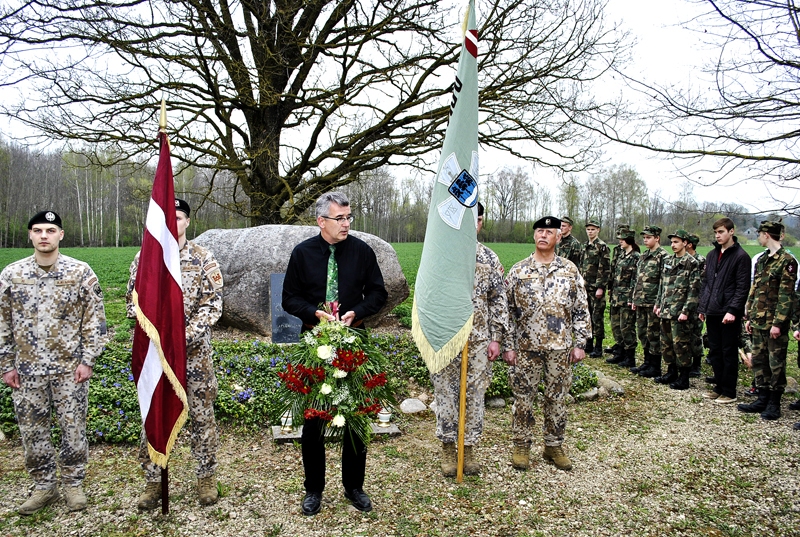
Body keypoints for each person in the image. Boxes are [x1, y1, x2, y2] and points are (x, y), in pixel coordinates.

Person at [282, 191, 388, 516]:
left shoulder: (362, 252)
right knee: (314, 420)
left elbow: (379, 293)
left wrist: (357, 311)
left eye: (348, 217)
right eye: (339, 218)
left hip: (352, 346)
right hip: (315, 347)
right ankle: (313, 489)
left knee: (355, 418)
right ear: (321, 221)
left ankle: (354, 486)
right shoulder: (302, 254)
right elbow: (289, 298)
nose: (346, 224)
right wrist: (314, 314)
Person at [0, 210, 108, 515]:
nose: (44, 236)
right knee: (32, 432)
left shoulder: (80, 273)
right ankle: (44, 486)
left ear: (61, 234)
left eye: (50, 230)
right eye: (38, 230)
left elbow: (95, 322)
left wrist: (87, 360)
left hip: (68, 370)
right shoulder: (11, 275)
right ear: (30, 235)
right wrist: (5, 364)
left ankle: (73, 484)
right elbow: (2, 322)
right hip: (26, 371)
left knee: (73, 429)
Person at [127, 198, 224, 509]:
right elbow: (133, 304)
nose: (174, 222)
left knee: (202, 417)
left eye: (179, 217)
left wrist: (181, 338)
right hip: (157, 357)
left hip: (193, 356)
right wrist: (160, 340)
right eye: (168, 217)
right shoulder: (145, 259)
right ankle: (153, 480)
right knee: (155, 413)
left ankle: (206, 477)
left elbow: (213, 306)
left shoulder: (203, 258)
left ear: (187, 223)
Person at [431, 202, 511, 477]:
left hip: (478, 341)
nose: (471, 224)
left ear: (480, 223)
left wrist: (496, 338)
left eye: (476, 220)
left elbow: (498, 301)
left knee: (474, 395)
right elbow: (429, 296)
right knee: (445, 393)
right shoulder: (440, 255)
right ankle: (448, 447)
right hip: (445, 337)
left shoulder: (489, 259)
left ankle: (469, 447)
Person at [504, 216, 589, 472]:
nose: (543, 235)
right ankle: (521, 445)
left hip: (559, 348)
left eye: (549, 232)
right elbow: (506, 311)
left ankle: (553, 445)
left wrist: (581, 342)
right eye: (539, 231)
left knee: (557, 397)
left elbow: (581, 308)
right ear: (534, 236)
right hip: (526, 347)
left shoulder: (570, 270)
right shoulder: (518, 271)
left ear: (558, 236)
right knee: (523, 398)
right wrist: (508, 345)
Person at [738, 220, 797, 419]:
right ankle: (762, 397)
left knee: (775, 363)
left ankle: (774, 402)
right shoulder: (762, 259)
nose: (758, 237)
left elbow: (786, 295)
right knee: (760, 361)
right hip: (758, 320)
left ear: (767, 235)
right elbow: (755, 288)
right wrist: (749, 313)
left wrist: (779, 323)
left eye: (760, 233)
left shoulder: (787, 261)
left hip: (773, 323)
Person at [697, 217, 751, 405]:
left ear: (731, 232)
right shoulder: (712, 255)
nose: (718, 236)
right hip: (712, 310)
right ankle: (719, 387)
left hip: (728, 313)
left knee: (728, 351)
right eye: (715, 232)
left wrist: (733, 310)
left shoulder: (741, 256)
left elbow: (742, 287)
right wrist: (703, 307)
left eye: (721, 232)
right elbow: (706, 283)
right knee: (715, 351)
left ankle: (729, 391)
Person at [654, 229, 701, 391]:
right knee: (666, 343)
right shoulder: (668, 260)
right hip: (666, 308)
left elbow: (694, 290)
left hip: (680, 311)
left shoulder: (692, 263)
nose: (673, 245)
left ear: (685, 244)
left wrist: (686, 311)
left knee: (681, 344)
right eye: (672, 242)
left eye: (676, 242)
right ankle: (671, 371)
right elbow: (663, 284)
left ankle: (684, 376)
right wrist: (658, 304)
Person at [630, 226, 668, 377]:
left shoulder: (663, 256)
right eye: (644, 237)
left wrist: (659, 303)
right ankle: (647, 362)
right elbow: (638, 279)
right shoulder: (643, 255)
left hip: (653, 302)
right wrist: (634, 298)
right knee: (642, 333)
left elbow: (663, 282)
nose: (645, 240)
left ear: (657, 238)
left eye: (648, 237)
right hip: (641, 301)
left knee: (654, 334)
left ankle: (655, 365)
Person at [606, 228, 640, 368]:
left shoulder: (636, 257)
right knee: (616, 326)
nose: (620, 241)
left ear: (629, 240)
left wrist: (632, 297)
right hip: (616, 297)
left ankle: (629, 356)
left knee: (627, 327)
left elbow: (636, 279)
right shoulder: (621, 255)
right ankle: (619, 352)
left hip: (626, 298)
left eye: (623, 239)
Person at [580, 218, 610, 358]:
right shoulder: (585, 245)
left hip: (596, 288)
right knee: (587, 317)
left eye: (593, 229)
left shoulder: (602, 246)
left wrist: (600, 287)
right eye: (588, 229)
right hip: (585, 286)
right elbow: (582, 265)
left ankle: (598, 347)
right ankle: (589, 343)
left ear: (598, 230)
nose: (590, 232)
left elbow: (604, 268)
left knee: (597, 317)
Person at [686, 234, 707, 378]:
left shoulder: (700, 261)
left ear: (690, 245)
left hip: (697, 302)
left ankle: (697, 363)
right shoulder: (683, 260)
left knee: (695, 334)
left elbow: (703, 283)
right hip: (684, 301)